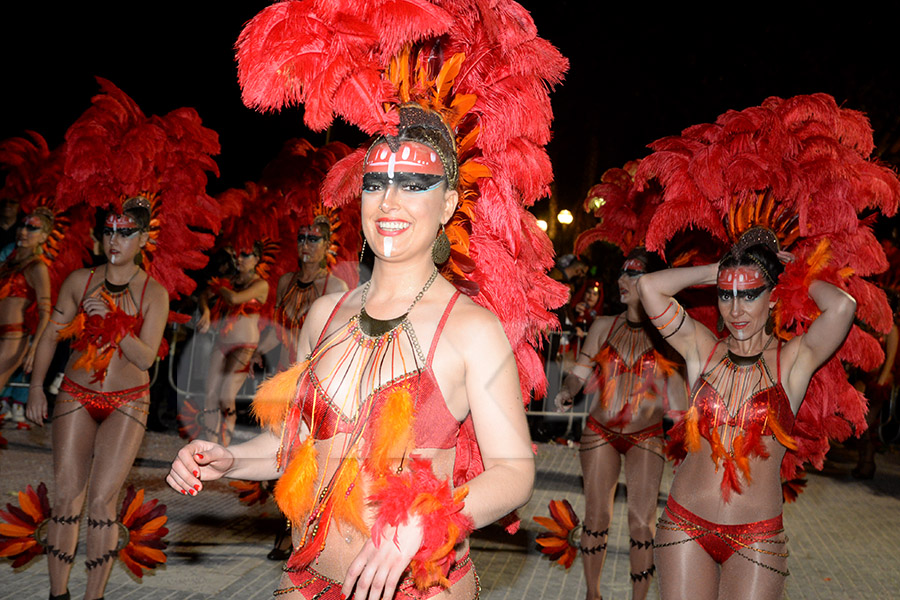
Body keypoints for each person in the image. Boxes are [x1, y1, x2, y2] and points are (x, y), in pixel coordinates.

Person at [637, 231, 855, 599]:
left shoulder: (794, 361)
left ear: (772, 298)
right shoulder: (700, 347)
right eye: (726, 295)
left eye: (750, 294)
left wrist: (795, 276)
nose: (736, 309)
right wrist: (717, 272)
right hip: (683, 526)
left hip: (756, 536)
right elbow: (648, 286)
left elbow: (843, 307)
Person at [26, 199, 169, 600]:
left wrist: (110, 322)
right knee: (67, 494)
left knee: (103, 501)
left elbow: (145, 356)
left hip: (128, 401)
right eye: (109, 230)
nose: (114, 239)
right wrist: (37, 387)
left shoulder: (154, 294)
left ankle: (94, 597)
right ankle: (58, 595)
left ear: (143, 239)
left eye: (125, 232)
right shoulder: (79, 281)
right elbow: (49, 337)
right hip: (75, 393)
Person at [554, 250, 683, 600]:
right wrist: (567, 391)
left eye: (634, 275)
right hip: (600, 432)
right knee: (596, 518)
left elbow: (680, 401)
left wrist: (692, 439)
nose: (622, 281)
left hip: (647, 436)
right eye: (622, 274)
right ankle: (592, 596)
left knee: (642, 523)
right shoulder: (603, 326)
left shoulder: (670, 336)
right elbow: (579, 374)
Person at [0, 209, 52, 421]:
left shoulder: (37, 267)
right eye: (22, 225)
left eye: (32, 228)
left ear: (44, 236)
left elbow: (45, 312)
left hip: (12, 339)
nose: (23, 231)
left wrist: (34, 349)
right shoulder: (7, 261)